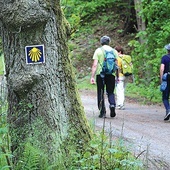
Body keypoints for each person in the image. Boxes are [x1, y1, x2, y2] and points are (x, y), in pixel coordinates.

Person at [90, 35, 118, 118]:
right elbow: (116, 65)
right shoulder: (114, 51)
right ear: (109, 42)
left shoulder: (98, 51)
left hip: (100, 74)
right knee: (110, 92)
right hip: (111, 75)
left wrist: (92, 76)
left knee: (101, 92)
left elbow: (95, 65)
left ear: (101, 42)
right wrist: (117, 76)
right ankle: (112, 105)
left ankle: (102, 112)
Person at [115, 46, 133, 110]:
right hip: (127, 75)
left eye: (116, 51)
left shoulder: (117, 58)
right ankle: (121, 103)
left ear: (119, 52)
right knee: (123, 90)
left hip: (120, 76)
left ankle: (120, 104)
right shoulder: (127, 57)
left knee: (120, 90)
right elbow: (131, 66)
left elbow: (116, 68)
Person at [160, 43, 170, 121]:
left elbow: (162, 68)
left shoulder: (164, 58)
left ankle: (168, 110)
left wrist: (161, 78)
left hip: (167, 78)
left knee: (165, 97)